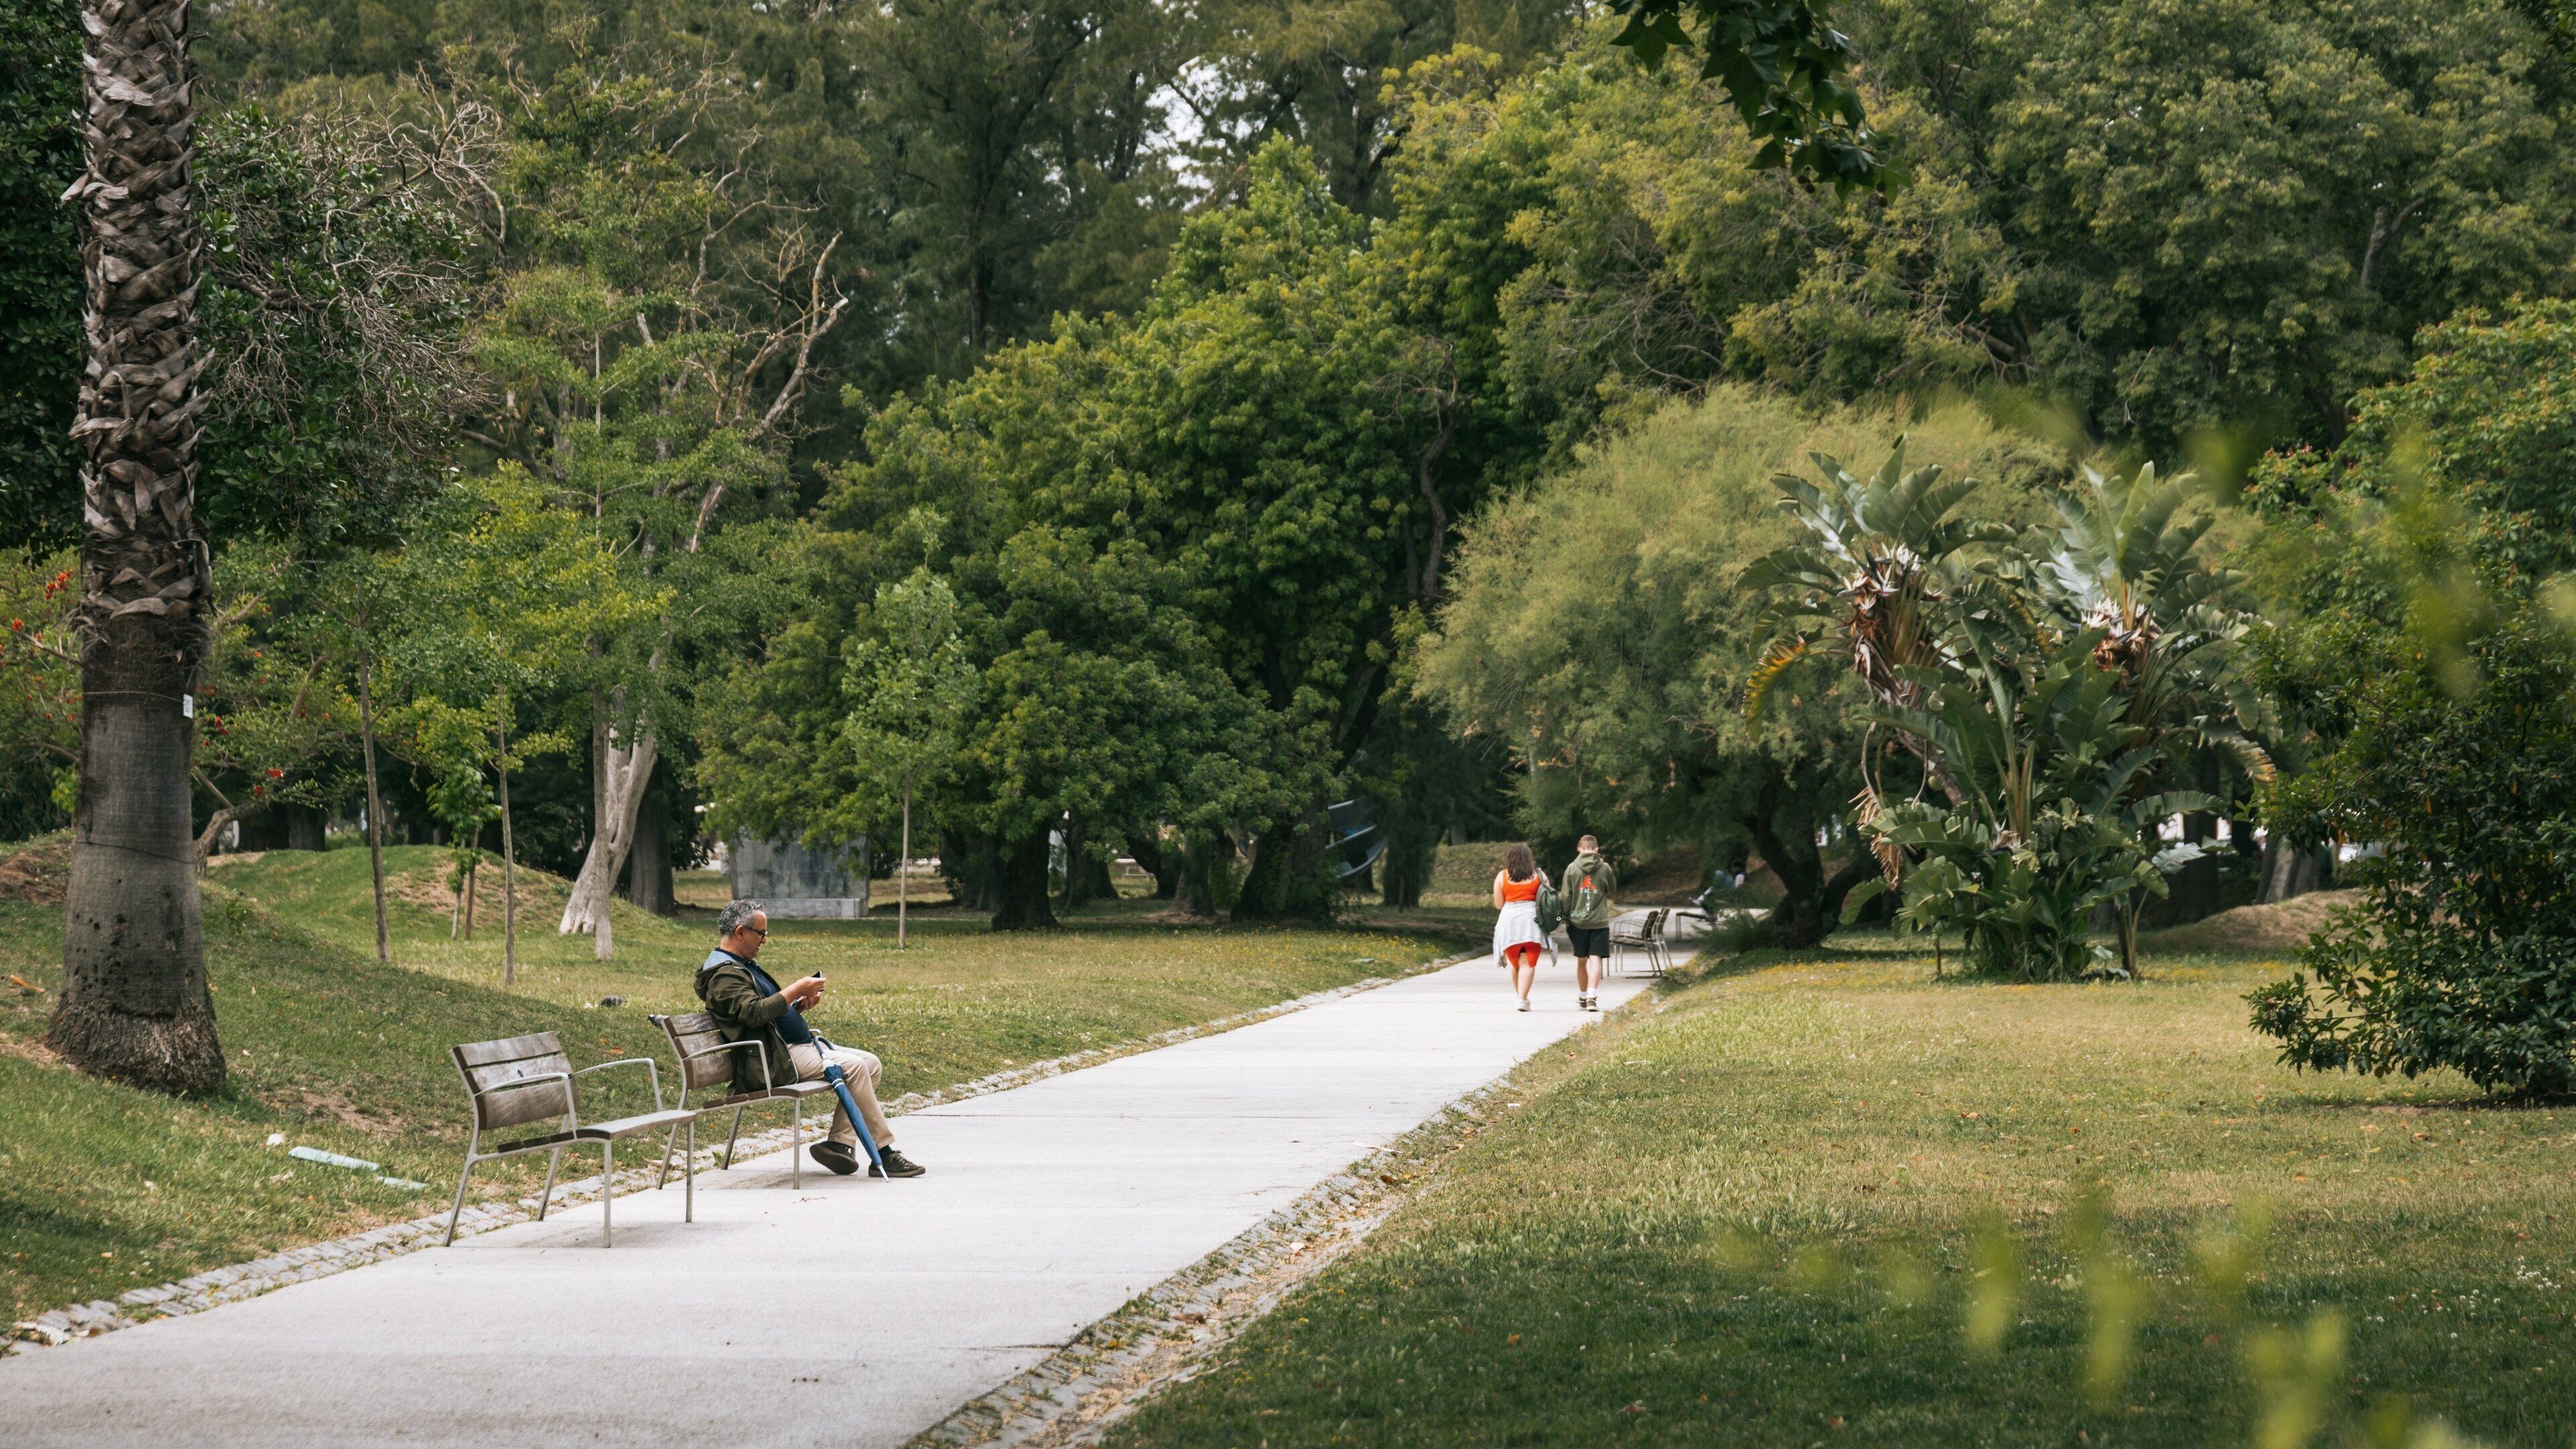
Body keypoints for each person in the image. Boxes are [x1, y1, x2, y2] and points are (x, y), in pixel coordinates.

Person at [696, 899, 924, 1177]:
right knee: (853, 1067)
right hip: (772, 1059)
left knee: (871, 1063)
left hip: (790, 1047)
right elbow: (753, 1014)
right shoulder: (724, 975)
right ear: (741, 932)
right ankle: (884, 1154)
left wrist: (796, 1006)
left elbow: (766, 1011)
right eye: (762, 933)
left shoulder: (742, 966)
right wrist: (795, 989)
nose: (765, 941)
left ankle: (839, 1144)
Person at [1559, 835, 1617, 1012]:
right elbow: (1613, 888)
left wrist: (1566, 917)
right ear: (1597, 849)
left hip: (1577, 922)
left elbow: (1566, 897)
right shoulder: (1605, 867)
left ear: (1579, 848)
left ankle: (1583, 996)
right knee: (1596, 958)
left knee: (1581, 960)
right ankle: (1592, 996)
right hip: (1599, 921)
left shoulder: (1571, 868)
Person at [1491, 842, 1550, 1012]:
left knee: (1516, 964)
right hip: (1532, 922)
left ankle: (1521, 999)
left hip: (1509, 924)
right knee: (1528, 963)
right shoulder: (1539, 875)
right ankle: (1522, 999)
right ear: (1529, 859)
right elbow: (1548, 899)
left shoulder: (1502, 876)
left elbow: (1499, 904)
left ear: (1510, 859)